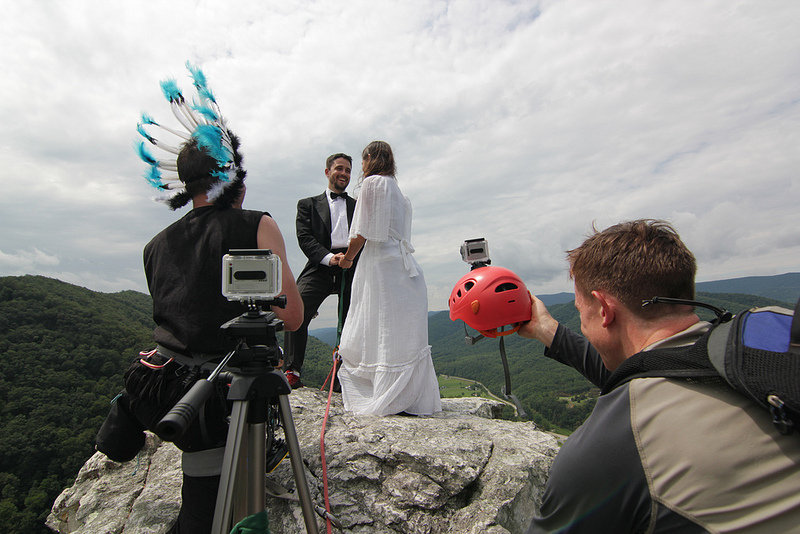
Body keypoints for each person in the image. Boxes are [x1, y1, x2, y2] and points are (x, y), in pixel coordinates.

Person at [518, 219, 800, 533]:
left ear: (603, 309)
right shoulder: (765, 343)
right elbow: (645, 368)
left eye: (581, 311)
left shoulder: (610, 448)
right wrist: (547, 330)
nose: (583, 323)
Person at [120, 64, 301, 534]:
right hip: (220, 400)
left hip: (163, 390)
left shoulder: (154, 245)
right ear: (231, 176)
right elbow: (295, 316)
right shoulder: (256, 223)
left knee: (202, 505)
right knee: (203, 517)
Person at [337, 141, 441, 416]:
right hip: (406, 268)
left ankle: (383, 394)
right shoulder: (401, 195)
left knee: (379, 325)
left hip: (382, 265)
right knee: (399, 332)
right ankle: (409, 397)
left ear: (369, 158)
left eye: (362, 160)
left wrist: (347, 259)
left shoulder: (373, 184)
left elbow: (361, 232)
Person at [284, 153, 357, 389]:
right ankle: (292, 369)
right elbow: (304, 238)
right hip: (321, 264)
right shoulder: (307, 204)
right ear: (327, 172)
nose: (344, 174)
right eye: (339, 169)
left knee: (352, 319)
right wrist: (329, 258)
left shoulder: (357, 205)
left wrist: (349, 258)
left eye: (347, 170)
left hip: (352, 265)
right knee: (296, 311)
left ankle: (343, 373)